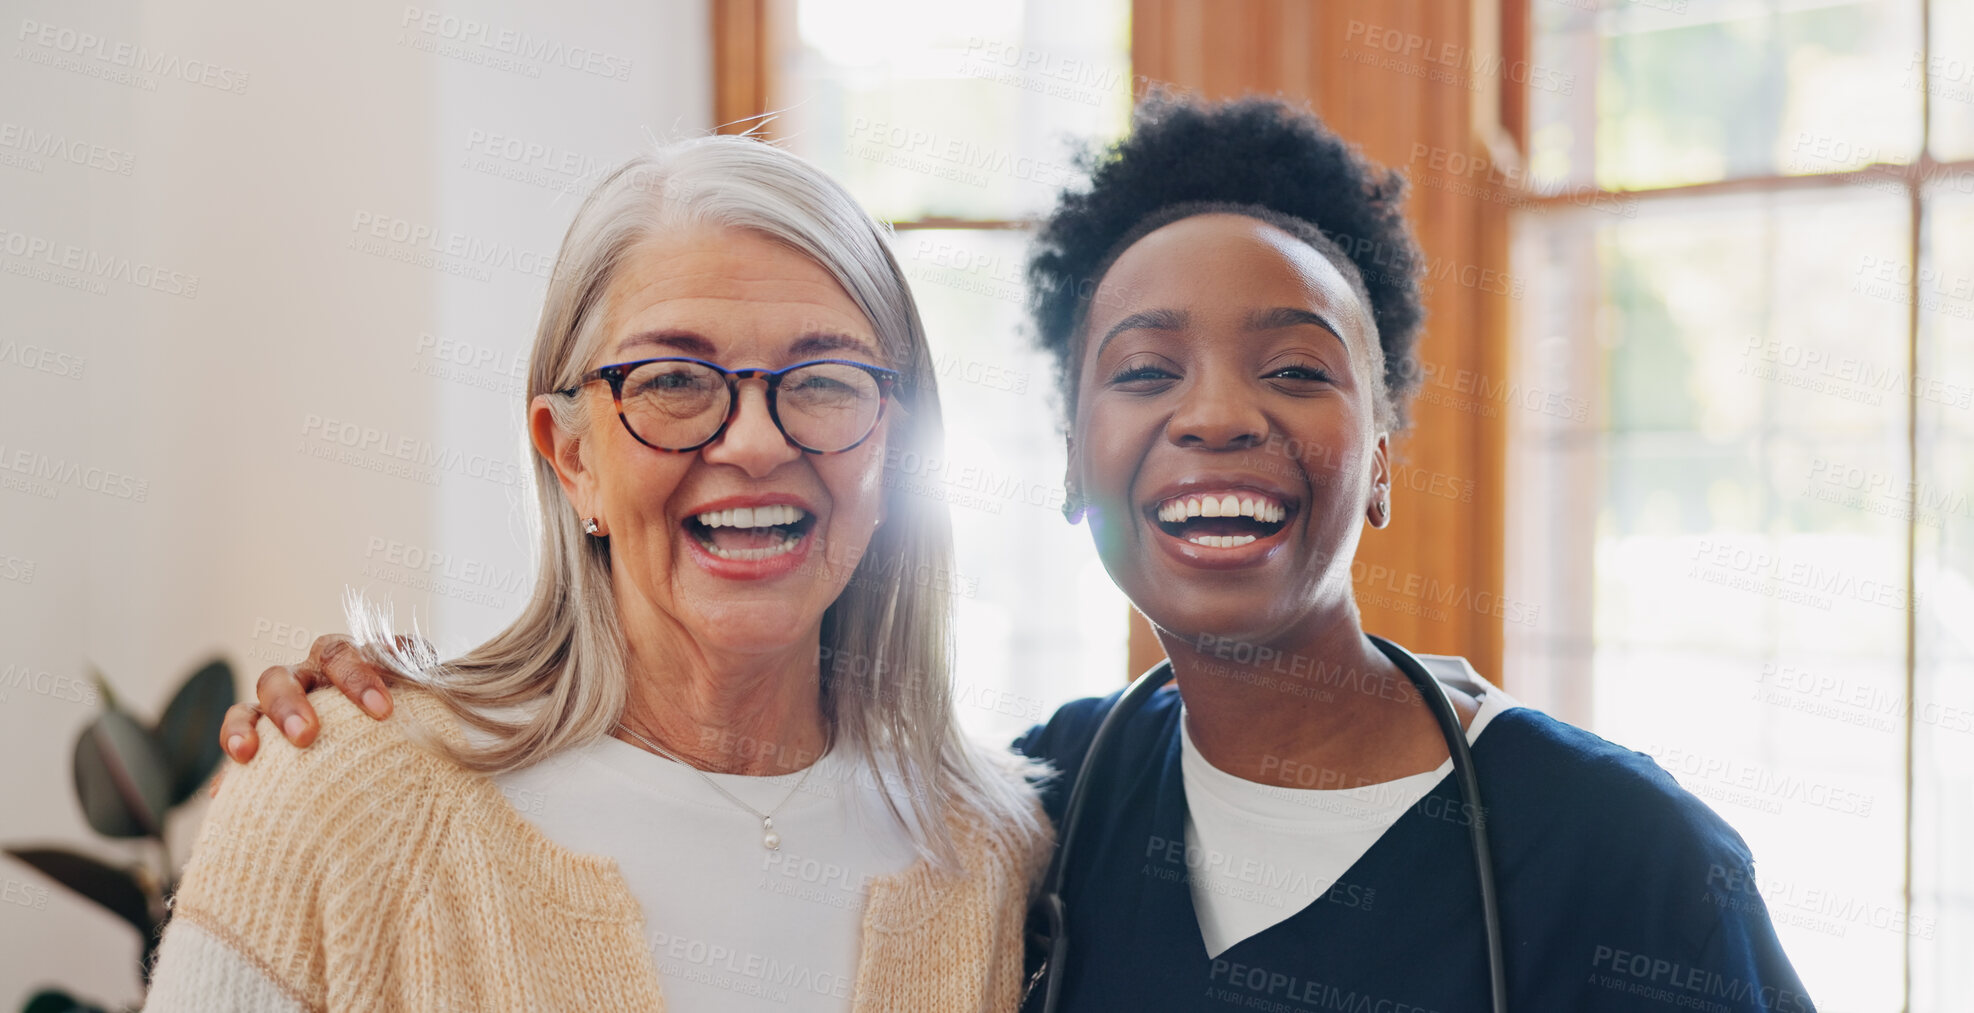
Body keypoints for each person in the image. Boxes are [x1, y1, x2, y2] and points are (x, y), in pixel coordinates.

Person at [228, 98, 1813, 1013]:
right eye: (1140, 371)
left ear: (1384, 444)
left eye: (1297, 368)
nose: (1215, 421)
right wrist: (384, 717)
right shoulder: (1046, 805)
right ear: (1067, 459)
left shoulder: (1623, 856)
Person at [142, 134, 1048, 1012]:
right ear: (570, 456)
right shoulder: (338, 800)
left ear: (894, 446)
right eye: (674, 379)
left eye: (824, 379)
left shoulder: (995, 852)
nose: (757, 441)